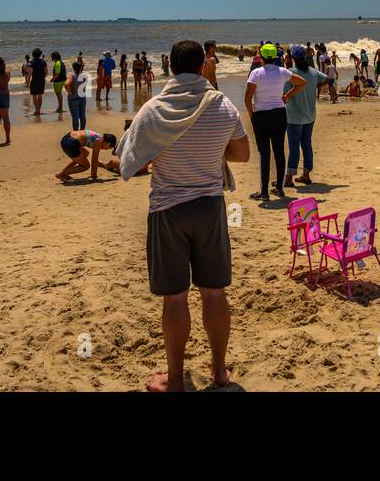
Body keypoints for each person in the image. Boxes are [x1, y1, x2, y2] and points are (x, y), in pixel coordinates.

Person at [116, 40, 250, 392]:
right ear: (204, 66)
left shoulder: (154, 109)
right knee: (215, 294)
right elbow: (242, 153)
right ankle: (220, 373)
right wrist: (208, 152)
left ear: (171, 68)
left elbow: (134, 162)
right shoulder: (222, 106)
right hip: (209, 206)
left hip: (168, 209)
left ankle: (175, 380)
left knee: (174, 299)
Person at [244, 42, 304, 201]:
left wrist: (252, 115)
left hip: (261, 115)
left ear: (261, 57)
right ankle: (279, 188)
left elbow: (247, 98)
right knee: (279, 151)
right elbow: (301, 82)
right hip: (279, 114)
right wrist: (287, 96)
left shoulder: (256, 73)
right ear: (276, 57)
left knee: (264, 153)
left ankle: (264, 192)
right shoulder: (282, 71)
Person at [284, 45, 327, 187]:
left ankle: (289, 178)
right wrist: (314, 86)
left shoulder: (290, 73)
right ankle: (306, 175)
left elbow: (284, 95)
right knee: (306, 144)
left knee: (294, 147)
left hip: (294, 117)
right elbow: (327, 78)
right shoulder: (313, 72)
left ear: (293, 58)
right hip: (310, 115)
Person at [67, 60, 89, 131]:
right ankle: (82, 131)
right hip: (82, 97)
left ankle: (76, 133)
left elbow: (66, 84)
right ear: (81, 68)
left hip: (74, 98)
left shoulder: (72, 76)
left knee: (75, 117)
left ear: (73, 68)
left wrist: (70, 93)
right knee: (82, 115)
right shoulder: (84, 76)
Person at [29, 48, 48, 117]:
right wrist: (43, 77)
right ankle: (38, 110)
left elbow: (30, 72)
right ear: (40, 54)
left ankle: (37, 111)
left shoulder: (32, 62)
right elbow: (46, 71)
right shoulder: (43, 62)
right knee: (40, 95)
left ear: (33, 54)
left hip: (34, 80)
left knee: (34, 95)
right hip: (42, 80)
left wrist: (28, 80)